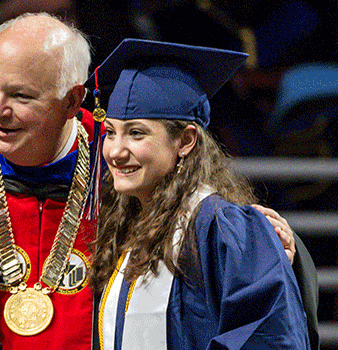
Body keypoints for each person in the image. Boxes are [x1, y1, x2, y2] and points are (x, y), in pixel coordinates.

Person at [0, 13, 308, 350]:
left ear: (74, 100)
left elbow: (208, 247)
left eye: (21, 96)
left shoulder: (120, 168)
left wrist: (263, 239)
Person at [90, 39, 311, 349]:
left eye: (136, 133)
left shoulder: (224, 229)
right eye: (111, 132)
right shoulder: (124, 227)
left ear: (185, 141)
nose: (115, 151)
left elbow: (269, 338)